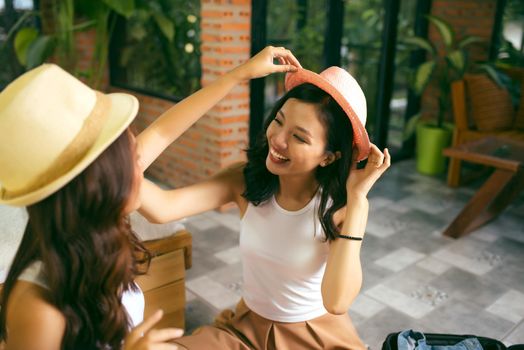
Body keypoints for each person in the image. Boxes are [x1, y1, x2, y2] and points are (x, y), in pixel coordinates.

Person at [0, 47, 297, 349]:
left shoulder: (91, 230)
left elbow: (165, 132)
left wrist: (240, 74)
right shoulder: (38, 308)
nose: (143, 168)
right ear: (96, 187)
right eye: (133, 159)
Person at [137, 47, 391, 349]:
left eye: (299, 137)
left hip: (313, 338)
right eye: (279, 120)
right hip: (245, 329)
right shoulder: (246, 179)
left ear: (328, 157)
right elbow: (161, 208)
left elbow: (337, 301)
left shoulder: (338, 209)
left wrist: (359, 200)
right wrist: (237, 75)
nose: (278, 140)